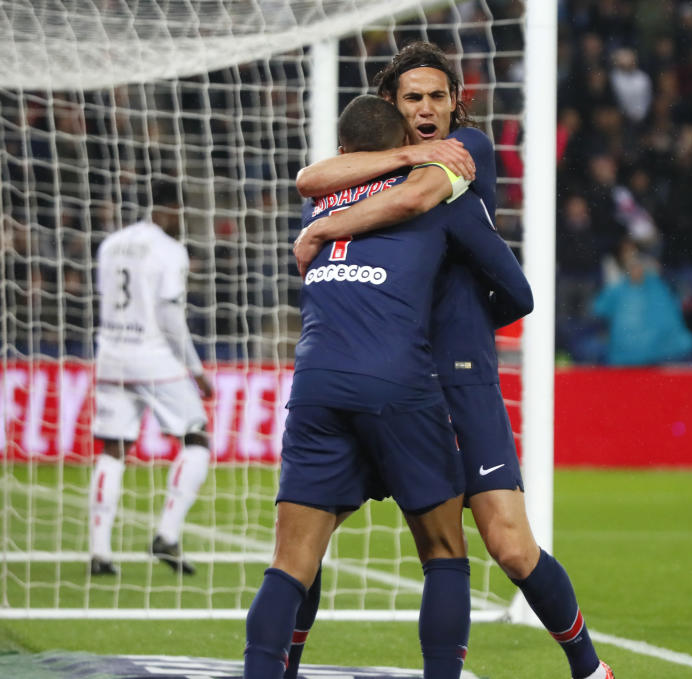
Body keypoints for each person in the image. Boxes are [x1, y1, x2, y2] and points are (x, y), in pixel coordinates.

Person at [293, 42, 614, 679]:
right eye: (413, 97)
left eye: (438, 95)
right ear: (391, 104)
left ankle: (589, 668)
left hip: (457, 377)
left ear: (454, 101)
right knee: (305, 541)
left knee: (509, 544)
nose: (428, 108)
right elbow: (309, 178)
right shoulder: (375, 166)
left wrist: (326, 230)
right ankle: (284, 665)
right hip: (381, 373)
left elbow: (414, 199)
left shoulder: (468, 151)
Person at [244, 94, 533, 679]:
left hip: (316, 381)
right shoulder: (433, 196)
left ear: (347, 150)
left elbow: (315, 176)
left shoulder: (320, 203)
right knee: (445, 553)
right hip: (400, 380)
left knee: (291, 563)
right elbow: (514, 288)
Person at [88, 180, 214, 576]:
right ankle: (168, 535)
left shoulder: (111, 244)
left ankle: (100, 553)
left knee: (114, 449)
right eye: (180, 213)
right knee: (196, 437)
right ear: (168, 209)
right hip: (153, 357)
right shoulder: (169, 249)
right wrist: (195, 371)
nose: (183, 222)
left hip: (110, 355)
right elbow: (170, 317)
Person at [591, 252, 692, 366]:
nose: (636, 271)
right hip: (623, 346)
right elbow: (599, 309)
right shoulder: (618, 289)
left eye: (638, 267)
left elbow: (668, 314)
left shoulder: (656, 288)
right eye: (632, 268)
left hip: (651, 346)